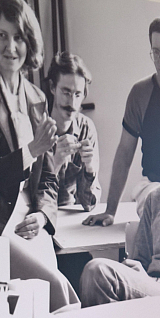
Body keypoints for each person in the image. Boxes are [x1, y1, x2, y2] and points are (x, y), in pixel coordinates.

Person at [0, 0, 78, 311]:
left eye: (19, 37)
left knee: (55, 295)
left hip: (31, 223)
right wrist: (31, 150)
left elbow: (49, 178)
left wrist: (43, 215)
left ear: (30, 43)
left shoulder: (38, 97)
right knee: (59, 291)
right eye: (2, 36)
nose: (11, 47)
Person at [79, 87, 160, 305]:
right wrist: (135, 268)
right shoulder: (157, 197)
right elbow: (140, 263)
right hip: (151, 294)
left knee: (97, 272)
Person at [83, 16, 160, 228]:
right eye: (156, 52)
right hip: (153, 186)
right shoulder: (140, 93)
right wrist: (110, 211)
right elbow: (125, 152)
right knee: (158, 205)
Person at [42, 51, 100, 211]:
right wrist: (55, 163)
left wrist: (90, 168)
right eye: (66, 92)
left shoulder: (86, 129)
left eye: (77, 94)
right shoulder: (37, 126)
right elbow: (29, 196)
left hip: (69, 216)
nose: (72, 102)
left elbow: (88, 204)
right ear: (53, 88)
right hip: (38, 216)